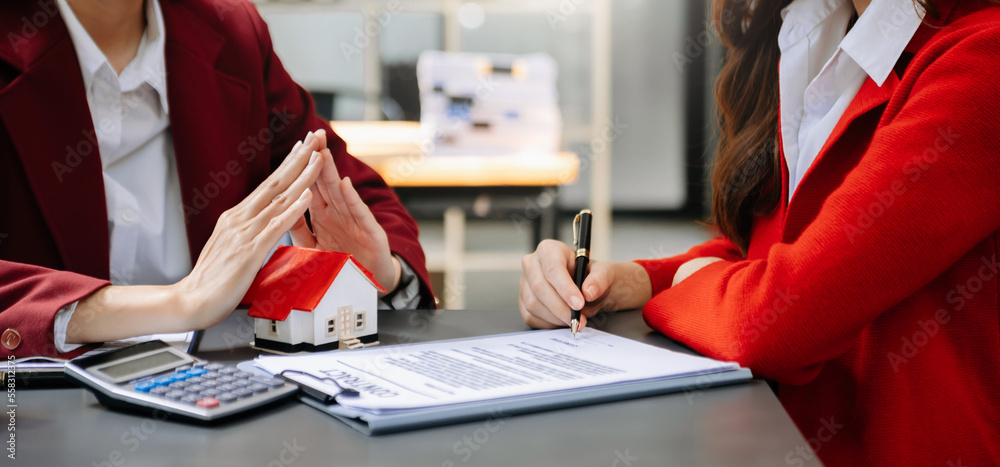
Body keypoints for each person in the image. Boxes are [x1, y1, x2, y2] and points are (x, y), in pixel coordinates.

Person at [519, 0, 999, 464]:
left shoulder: (984, 58)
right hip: (777, 439)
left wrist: (693, 284)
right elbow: (781, 249)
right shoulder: (814, 28)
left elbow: (780, 320)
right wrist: (628, 281)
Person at [0, 0, 434, 359]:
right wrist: (180, 303)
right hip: (39, 410)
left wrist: (382, 272)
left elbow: (351, 189)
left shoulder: (230, 30)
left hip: (216, 394)